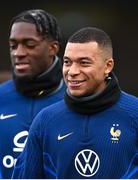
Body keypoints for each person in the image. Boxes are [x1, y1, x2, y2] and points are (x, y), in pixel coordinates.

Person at [12, 27, 138, 179]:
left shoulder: (134, 114)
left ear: (108, 66)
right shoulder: (45, 120)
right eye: (67, 62)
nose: (72, 71)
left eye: (84, 63)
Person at [0, 9, 65, 179]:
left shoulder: (76, 100)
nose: (18, 53)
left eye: (29, 44)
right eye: (13, 45)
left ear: (53, 48)